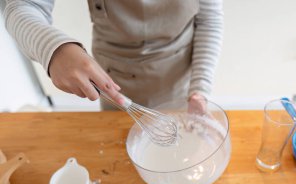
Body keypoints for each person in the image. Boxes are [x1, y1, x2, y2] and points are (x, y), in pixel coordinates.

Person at [3, 0, 223, 113]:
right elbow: (21, 8)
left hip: (178, 75)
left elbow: (209, 20)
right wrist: (53, 48)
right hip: (114, 76)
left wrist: (199, 89)